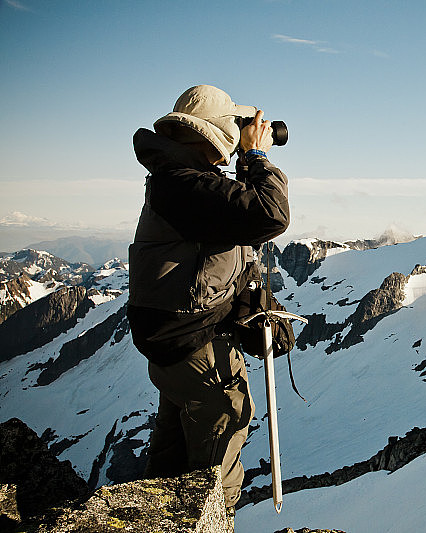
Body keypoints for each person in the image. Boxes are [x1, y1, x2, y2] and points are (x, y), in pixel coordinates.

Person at [127, 85, 290, 519]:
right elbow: (269, 215)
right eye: (235, 128)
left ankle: (155, 520)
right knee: (227, 418)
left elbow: (213, 259)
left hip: (178, 339)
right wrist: (255, 158)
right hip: (188, 341)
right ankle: (210, 522)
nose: (242, 135)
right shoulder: (183, 183)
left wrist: (247, 310)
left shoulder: (184, 181)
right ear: (214, 132)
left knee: (174, 455)